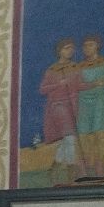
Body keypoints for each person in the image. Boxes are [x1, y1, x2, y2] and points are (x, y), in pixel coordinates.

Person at [39, 38, 82, 181]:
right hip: (58, 106)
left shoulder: (75, 67)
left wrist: (96, 84)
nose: (70, 51)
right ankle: (71, 170)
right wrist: (59, 84)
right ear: (60, 51)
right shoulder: (52, 70)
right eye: (66, 48)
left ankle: (54, 168)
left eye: (72, 48)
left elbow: (80, 85)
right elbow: (43, 89)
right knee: (70, 137)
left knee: (66, 140)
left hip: (73, 106)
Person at [76, 34, 104, 178]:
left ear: (97, 46)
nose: (87, 48)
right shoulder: (79, 66)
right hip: (83, 102)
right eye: (85, 46)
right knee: (83, 135)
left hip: (99, 102)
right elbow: (76, 85)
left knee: (99, 134)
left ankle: (99, 167)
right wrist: (92, 84)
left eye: (90, 45)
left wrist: (103, 82)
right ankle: (84, 169)